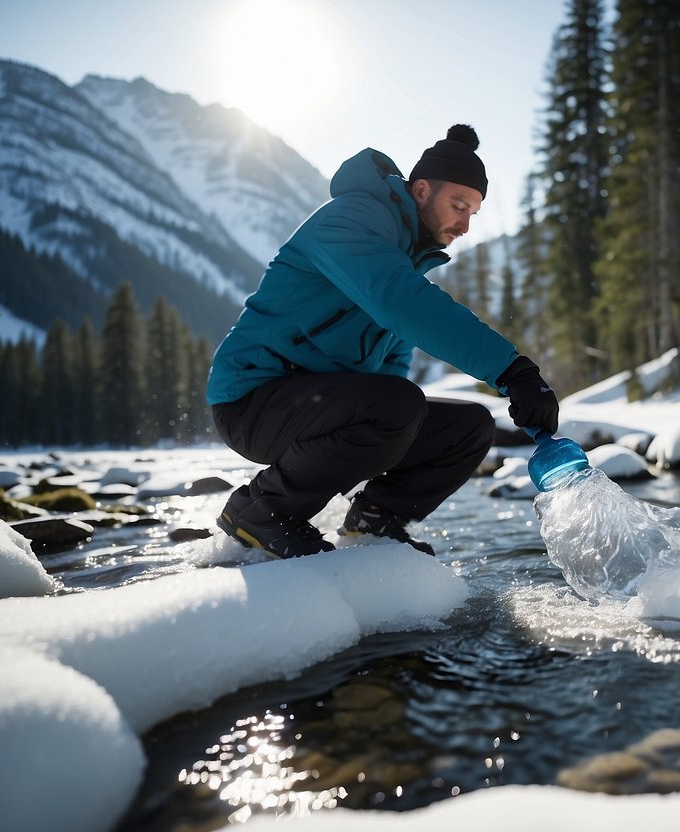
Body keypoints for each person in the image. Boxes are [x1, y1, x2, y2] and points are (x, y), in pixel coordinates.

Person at [206, 124, 558, 558]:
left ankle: (374, 520)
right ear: (423, 191)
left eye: (473, 214)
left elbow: (389, 372)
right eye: (458, 206)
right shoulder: (352, 219)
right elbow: (400, 302)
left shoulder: (406, 257)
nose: (465, 226)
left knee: (468, 427)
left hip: (319, 407)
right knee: (397, 405)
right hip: (252, 399)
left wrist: (383, 450)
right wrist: (511, 370)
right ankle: (261, 513)